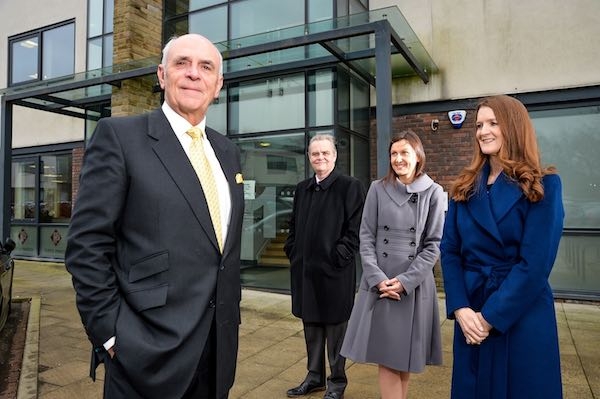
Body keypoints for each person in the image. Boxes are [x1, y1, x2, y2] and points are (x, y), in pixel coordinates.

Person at [65, 34, 245, 399]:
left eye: (206, 67)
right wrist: (112, 335)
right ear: (162, 76)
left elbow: (221, 253)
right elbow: (87, 246)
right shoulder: (119, 136)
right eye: (182, 63)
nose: (194, 74)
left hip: (217, 353)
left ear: (218, 85)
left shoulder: (227, 151)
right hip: (145, 355)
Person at [440, 95, 564, 399]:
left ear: (514, 126)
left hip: (520, 315)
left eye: (493, 123)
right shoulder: (463, 187)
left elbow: (534, 264)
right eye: (480, 124)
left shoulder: (544, 185)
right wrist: (461, 307)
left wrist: (489, 317)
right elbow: (450, 250)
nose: (484, 131)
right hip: (471, 312)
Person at [341, 130, 444, 399]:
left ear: (417, 156)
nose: (398, 159)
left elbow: (433, 244)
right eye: (394, 154)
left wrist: (405, 282)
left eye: (404, 153)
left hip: (413, 286)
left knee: (404, 359)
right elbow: (366, 236)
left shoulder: (433, 193)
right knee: (387, 358)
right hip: (380, 283)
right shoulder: (377, 188)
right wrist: (377, 278)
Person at [284, 134, 366, 399]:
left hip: (334, 274)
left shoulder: (349, 186)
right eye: (315, 154)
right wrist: (293, 251)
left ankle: (337, 384)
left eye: (324, 153)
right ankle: (314, 378)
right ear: (309, 157)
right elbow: (293, 226)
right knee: (312, 330)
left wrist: (337, 257)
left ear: (335, 155)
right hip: (306, 273)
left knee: (336, 333)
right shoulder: (302, 188)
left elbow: (356, 231)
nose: (319, 158)